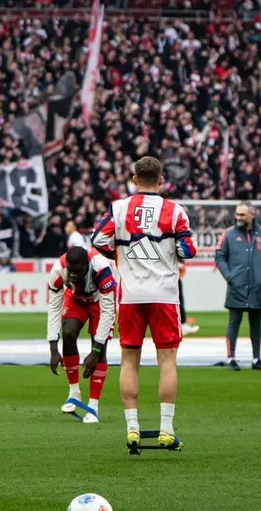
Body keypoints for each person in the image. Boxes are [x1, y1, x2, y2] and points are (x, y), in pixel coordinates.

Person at [92, 156, 196, 452]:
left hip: (132, 294)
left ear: (134, 178)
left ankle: (132, 428)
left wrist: (121, 255)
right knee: (167, 360)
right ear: (161, 180)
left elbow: (98, 239)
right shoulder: (174, 210)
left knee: (129, 360)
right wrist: (168, 249)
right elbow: (188, 248)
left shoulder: (119, 208)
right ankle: (166, 428)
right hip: (164, 294)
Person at [46, 245, 116, 423]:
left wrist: (96, 350)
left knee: (99, 350)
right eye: (71, 271)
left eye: (77, 271)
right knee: (68, 332)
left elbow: (108, 311)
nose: (73, 275)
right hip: (76, 299)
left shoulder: (102, 269)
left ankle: (93, 406)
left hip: (100, 301)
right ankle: (74, 393)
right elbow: (54, 308)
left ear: (87, 265)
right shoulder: (57, 271)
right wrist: (53, 347)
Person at [213, 203, 261, 370]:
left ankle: (256, 359)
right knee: (233, 322)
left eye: (243, 214)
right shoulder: (228, 234)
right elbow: (219, 256)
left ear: (252, 215)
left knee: (256, 323)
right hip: (237, 286)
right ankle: (231, 358)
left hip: (257, 287)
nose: (238, 217)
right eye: (237, 214)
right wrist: (230, 277)